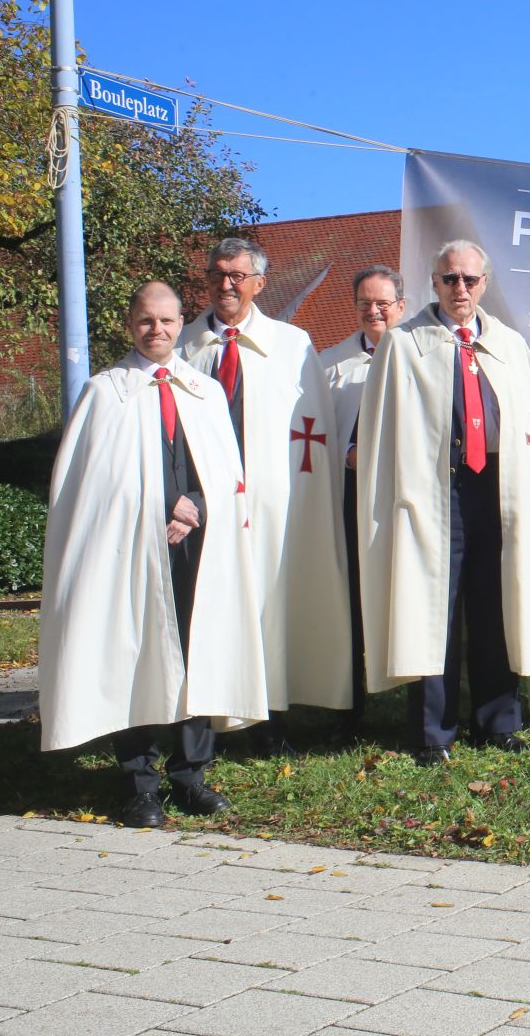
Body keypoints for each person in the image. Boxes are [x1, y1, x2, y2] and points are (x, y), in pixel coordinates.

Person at [37, 282, 266, 827]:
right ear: (129, 324)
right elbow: (91, 485)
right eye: (145, 321)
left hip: (198, 553)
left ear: (181, 323)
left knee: (197, 653)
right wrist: (157, 508)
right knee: (131, 651)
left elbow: (226, 477)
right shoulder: (104, 393)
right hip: (127, 554)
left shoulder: (204, 392)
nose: (156, 330)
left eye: (166, 321)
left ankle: (191, 777)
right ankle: (139, 783)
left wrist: (198, 509)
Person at [356, 239, 530, 763]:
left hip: (497, 484)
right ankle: (433, 730)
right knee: (434, 606)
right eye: (450, 279)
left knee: (495, 601)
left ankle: (499, 720)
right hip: (433, 488)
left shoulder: (510, 345)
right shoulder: (404, 345)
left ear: (485, 284)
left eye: (470, 279)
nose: (460, 289)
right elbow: (384, 431)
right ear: (434, 283)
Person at [178, 236, 351, 743]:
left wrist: (304, 499)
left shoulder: (292, 346)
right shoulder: (184, 344)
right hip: (204, 503)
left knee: (267, 603)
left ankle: (266, 712)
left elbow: (312, 430)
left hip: (274, 504)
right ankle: (205, 710)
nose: (226, 285)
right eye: (217, 274)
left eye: (237, 275)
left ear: (260, 283)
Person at [319, 264, 406, 739]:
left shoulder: (421, 356)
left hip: (409, 499)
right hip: (353, 498)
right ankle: (348, 708)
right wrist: (346, 455)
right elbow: (315, 434)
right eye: (364, 304)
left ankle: (419, 702)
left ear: (401, 306)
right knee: (352, 599)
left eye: (383, 303)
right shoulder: (330, 364)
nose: (374, 311)